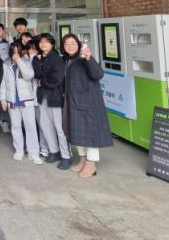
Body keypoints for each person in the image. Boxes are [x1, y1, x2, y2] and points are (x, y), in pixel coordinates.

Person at [61, 34, 113, 178]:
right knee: (77, 133)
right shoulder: (67, 60)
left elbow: (98, 74)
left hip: (88, 103)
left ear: (78, 45)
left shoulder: (84, 57)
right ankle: (83, 160)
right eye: (66, 44)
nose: (70, 46)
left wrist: (89, 58)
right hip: (73, 102)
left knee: (90, 135)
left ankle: (91, 164)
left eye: (73, 43)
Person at [32, 33, 71, 170]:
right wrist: (36, 60)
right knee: (45, 125)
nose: (43, 44)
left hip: (55, 97)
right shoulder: (39, 58)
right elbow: (37, 74)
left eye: (46, 42)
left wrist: (42, 82)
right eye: (41, 42)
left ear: (52, 44)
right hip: (43, 97)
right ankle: (54, 151)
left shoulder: (57, 59)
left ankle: (66, 156)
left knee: (60, 128)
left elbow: (56, 79)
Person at [0, 43, 42, 165]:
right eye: (13, 51)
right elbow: (3, 83)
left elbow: (29, 75)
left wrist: (19, 61)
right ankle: (19, 150)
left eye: (17, 50)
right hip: (12, 101)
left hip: (26, 100)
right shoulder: (6, 64)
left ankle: (34, 153)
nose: (15, 53)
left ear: (21, 51)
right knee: (15, 126)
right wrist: (3, 99)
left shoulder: (26, 62)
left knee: (30, 126)